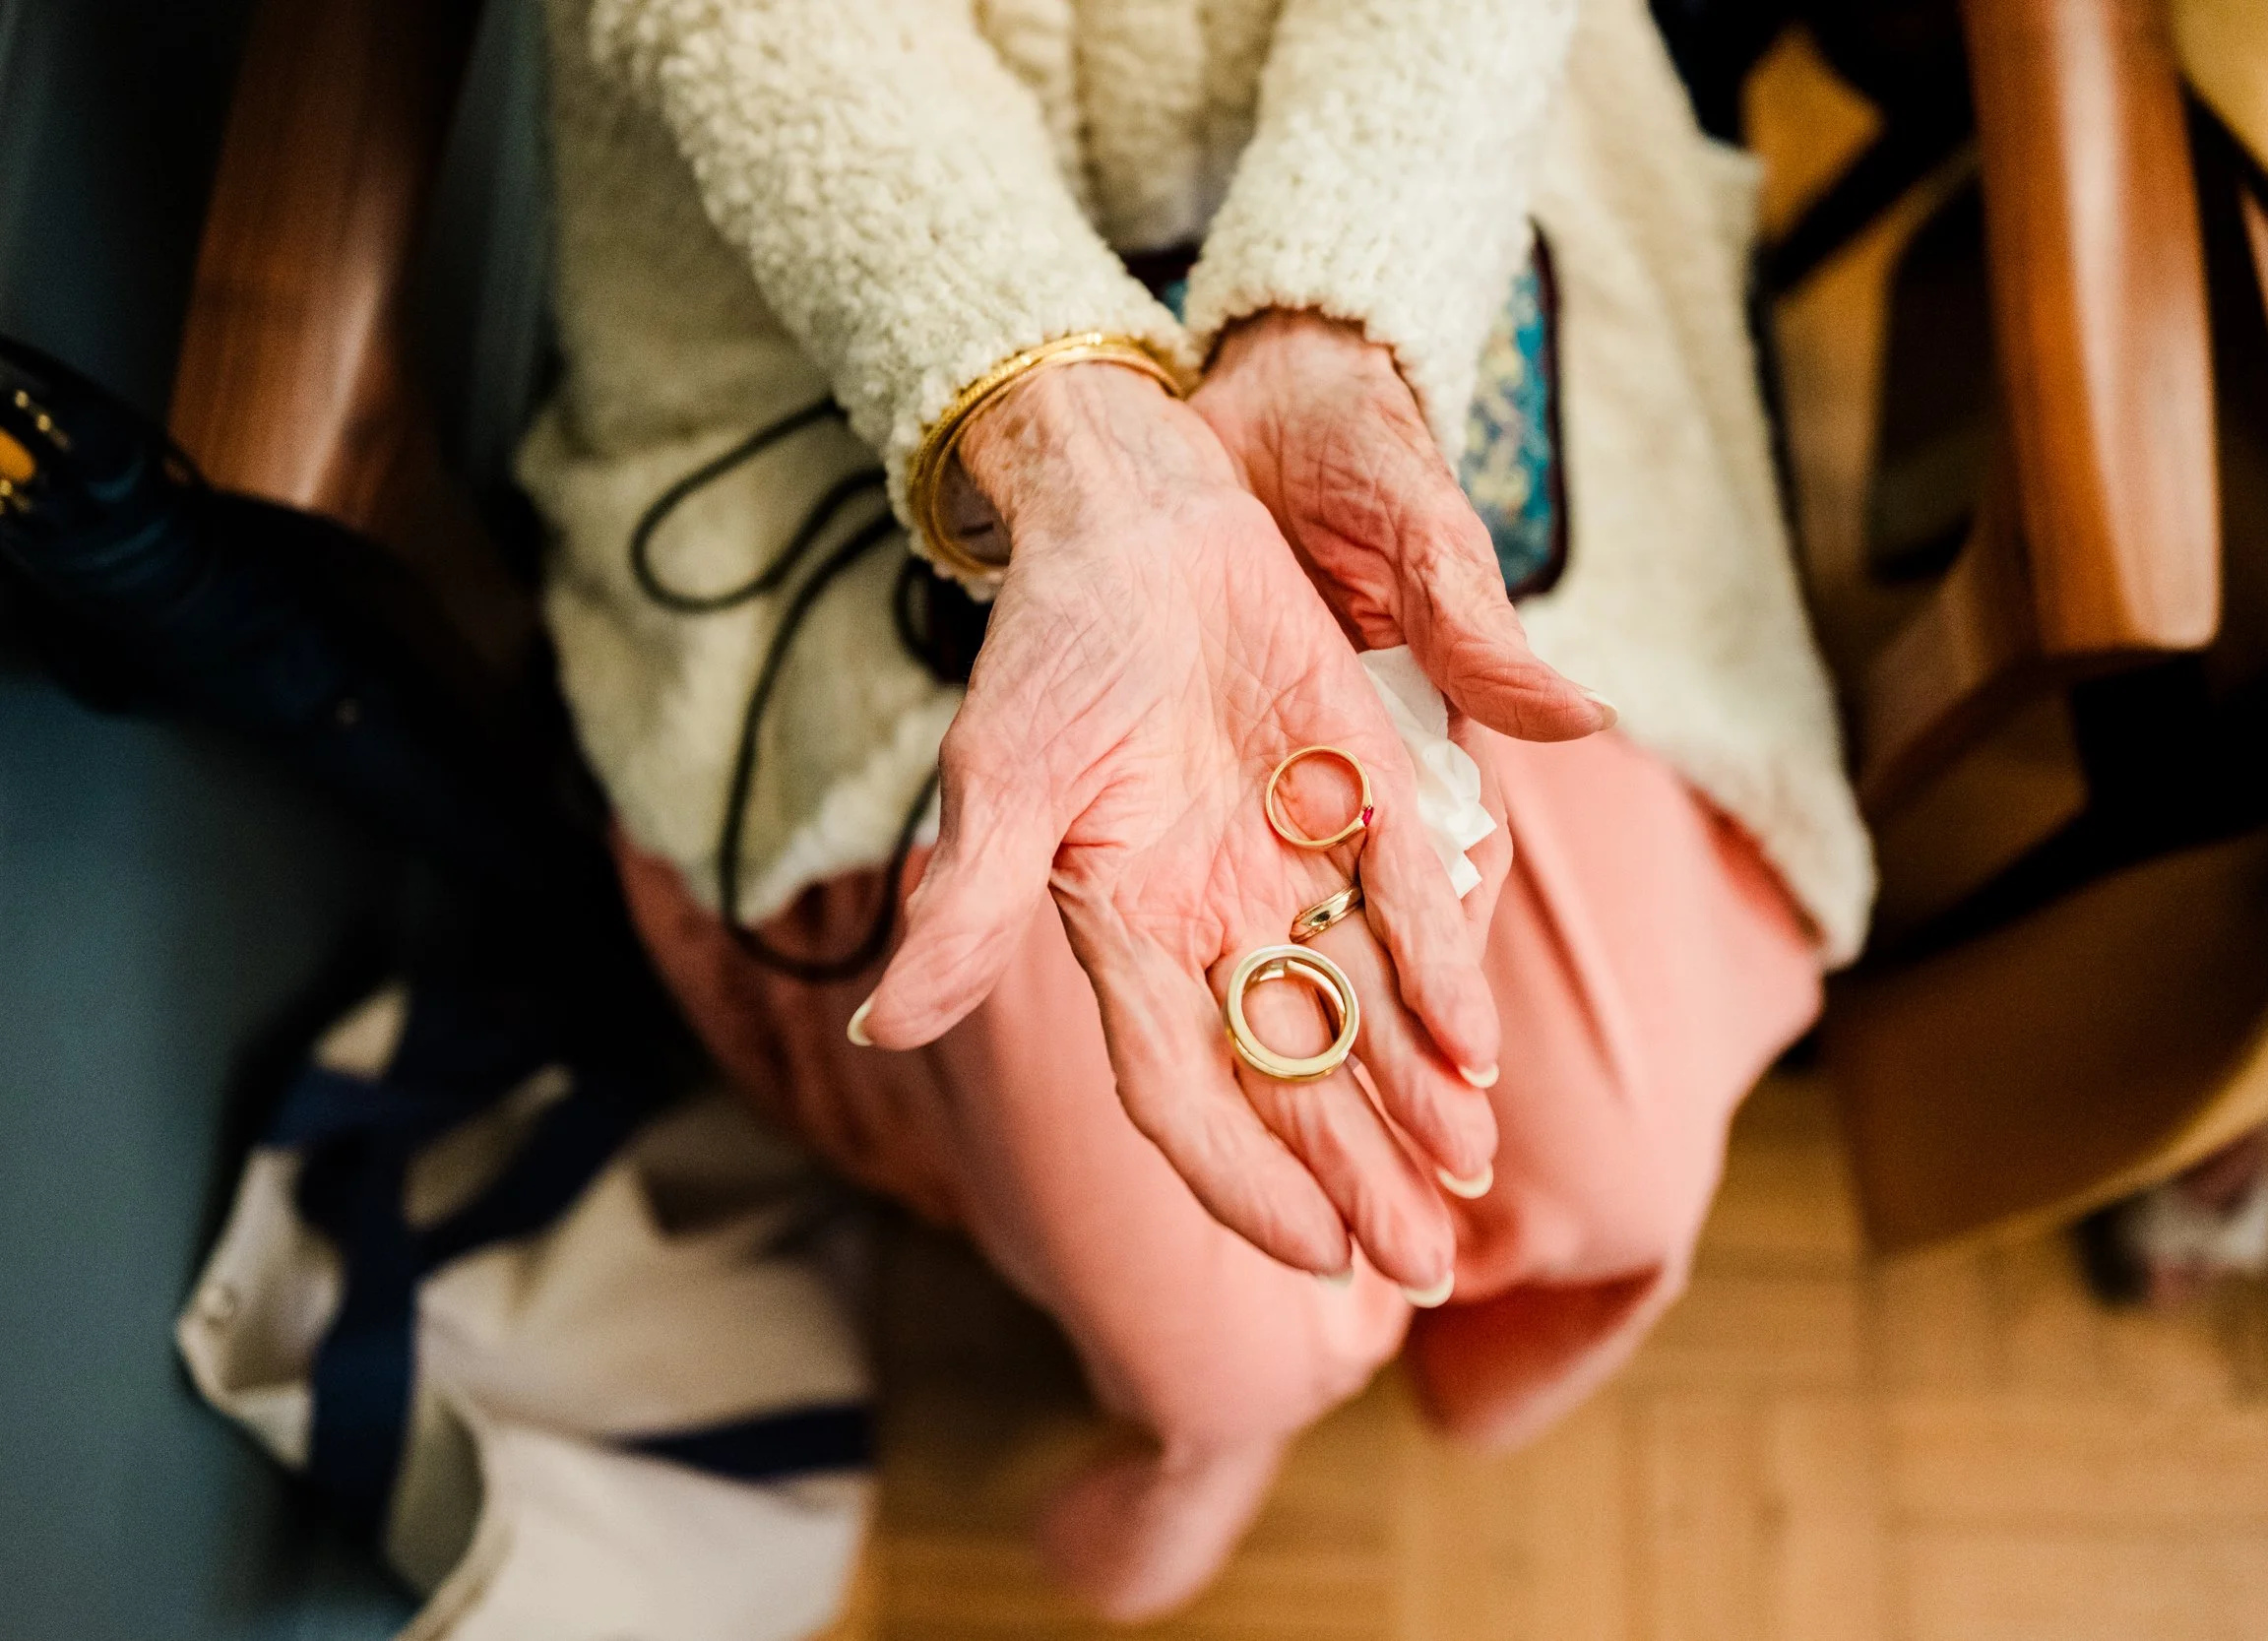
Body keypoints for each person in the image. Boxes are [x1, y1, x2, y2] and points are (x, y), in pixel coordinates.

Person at [519, 0, 1872, 1617]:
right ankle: (1222, 1420)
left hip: (1428, 202)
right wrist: (1064, 433)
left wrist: (1342, 316)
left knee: (1610, 1160)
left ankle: (1427, 1354)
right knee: (1210, 1323)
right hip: (854, 279)